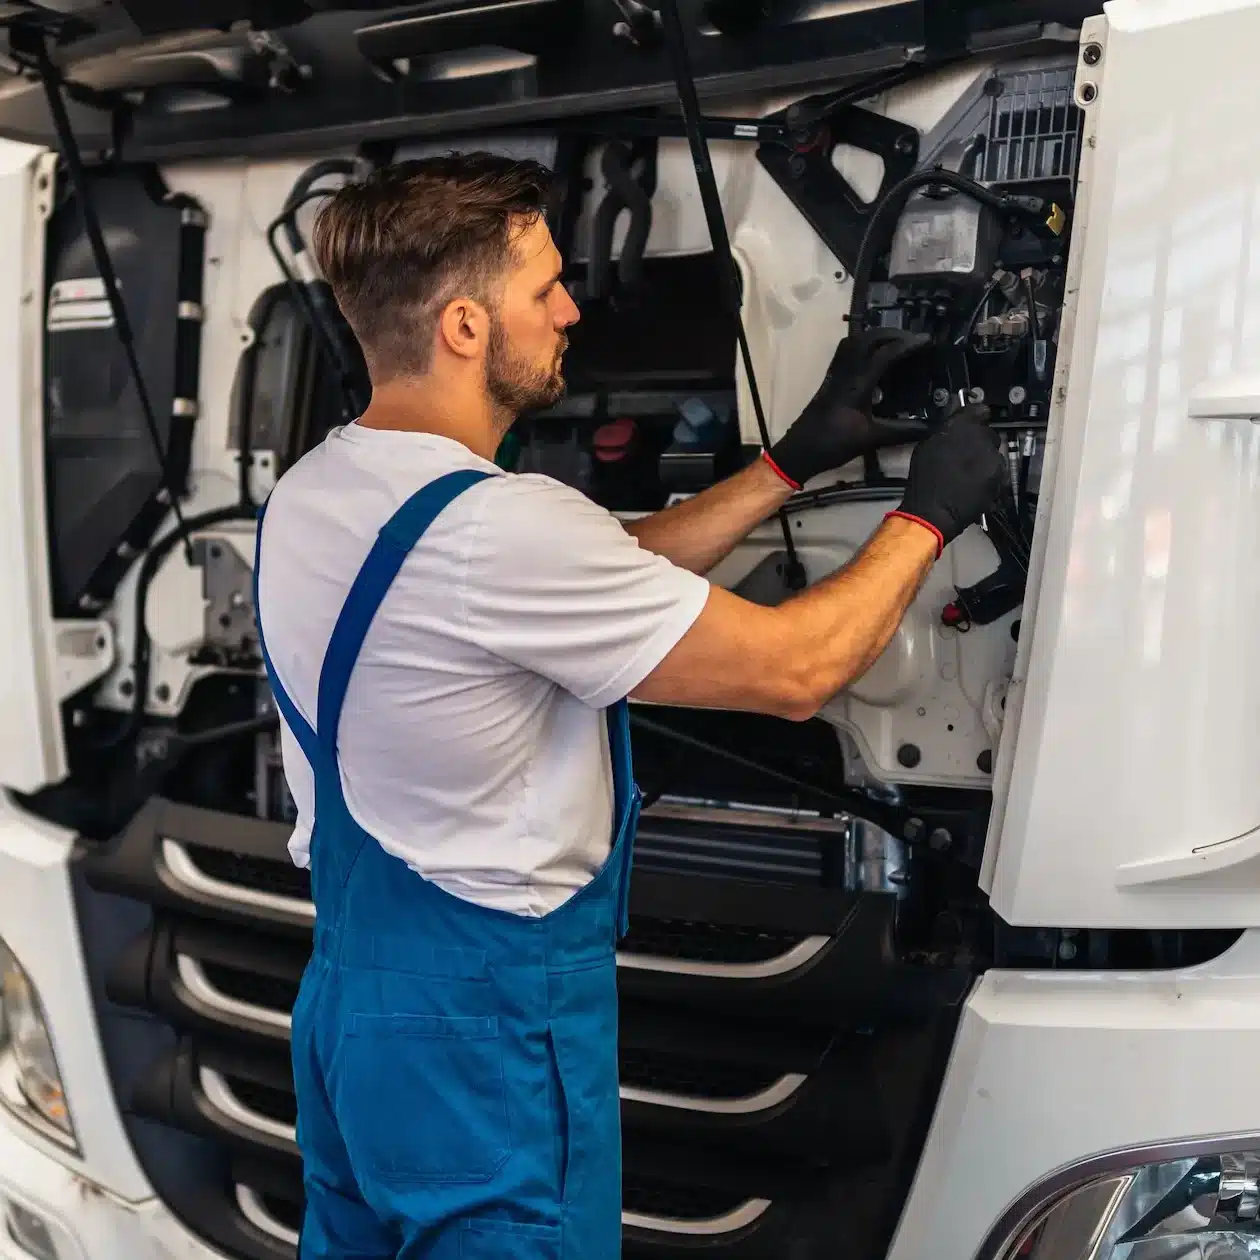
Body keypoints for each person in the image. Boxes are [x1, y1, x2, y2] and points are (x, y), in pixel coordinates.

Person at [253, 151, 1005, 1259]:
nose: (570, 311)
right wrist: (931, 517)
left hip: (355, 1013)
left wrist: (785, 469)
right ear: (464, 326)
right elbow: (798, 668)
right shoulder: (499, 531)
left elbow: (596, 571)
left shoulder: (324, 487)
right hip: (488, 1031)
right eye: (545, 286)